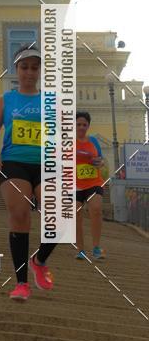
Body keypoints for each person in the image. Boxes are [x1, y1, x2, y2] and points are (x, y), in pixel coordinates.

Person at [0, 45, 56, 301]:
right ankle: (22, 283)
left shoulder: (51, 101)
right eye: (24, 67)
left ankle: (39, 260)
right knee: (20, 213)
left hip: (45, 165)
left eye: (34, 67)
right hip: (13, 162)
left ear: (39, 71)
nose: (29, 72)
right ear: (16, 70)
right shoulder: (6, 100)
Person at [75, 111, 105, 261]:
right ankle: (80, 249)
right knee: (77, 214)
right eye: (78, 124)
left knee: (96, 209)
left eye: (84, 124)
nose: (81, 127)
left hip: (94, 181)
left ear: (88, 126)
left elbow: (101, 159)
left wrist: (100, 162)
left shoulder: (93, 141)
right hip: (74, 184)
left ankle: (96, 247)